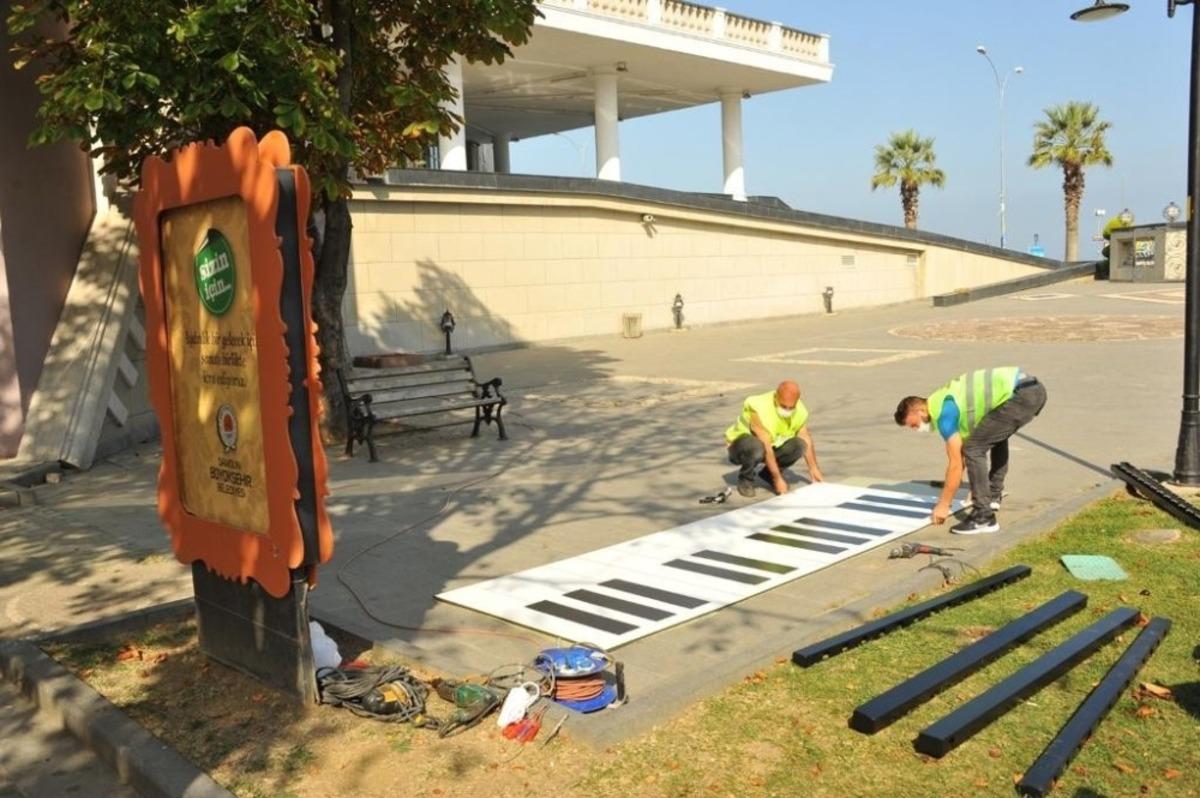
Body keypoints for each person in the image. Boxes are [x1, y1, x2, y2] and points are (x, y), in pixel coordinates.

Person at [894, 367, 1047, 535]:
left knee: (973, 449)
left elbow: (956, 465)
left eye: (914, 425)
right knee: (993, 438)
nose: (917, 429)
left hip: (1021, 395)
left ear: (920, 410)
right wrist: (977, 485)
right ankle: (993, 495)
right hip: (1031, 389)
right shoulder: (944, 399)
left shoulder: (944, 414)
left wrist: (944, 504)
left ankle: (984, 516)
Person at [725, 380, 824, 497]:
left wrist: (813, 469)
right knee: (756, 446)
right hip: (741, 447)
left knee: (799, 445)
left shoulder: (800, 411)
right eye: (783, 406)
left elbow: (805, 436)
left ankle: (767, 474)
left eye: (790, 407)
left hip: (770, 446)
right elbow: (765, 444)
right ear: (775, 397)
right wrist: (777, 478)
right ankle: (745, 479)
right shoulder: (758, 406)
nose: (787, 410)